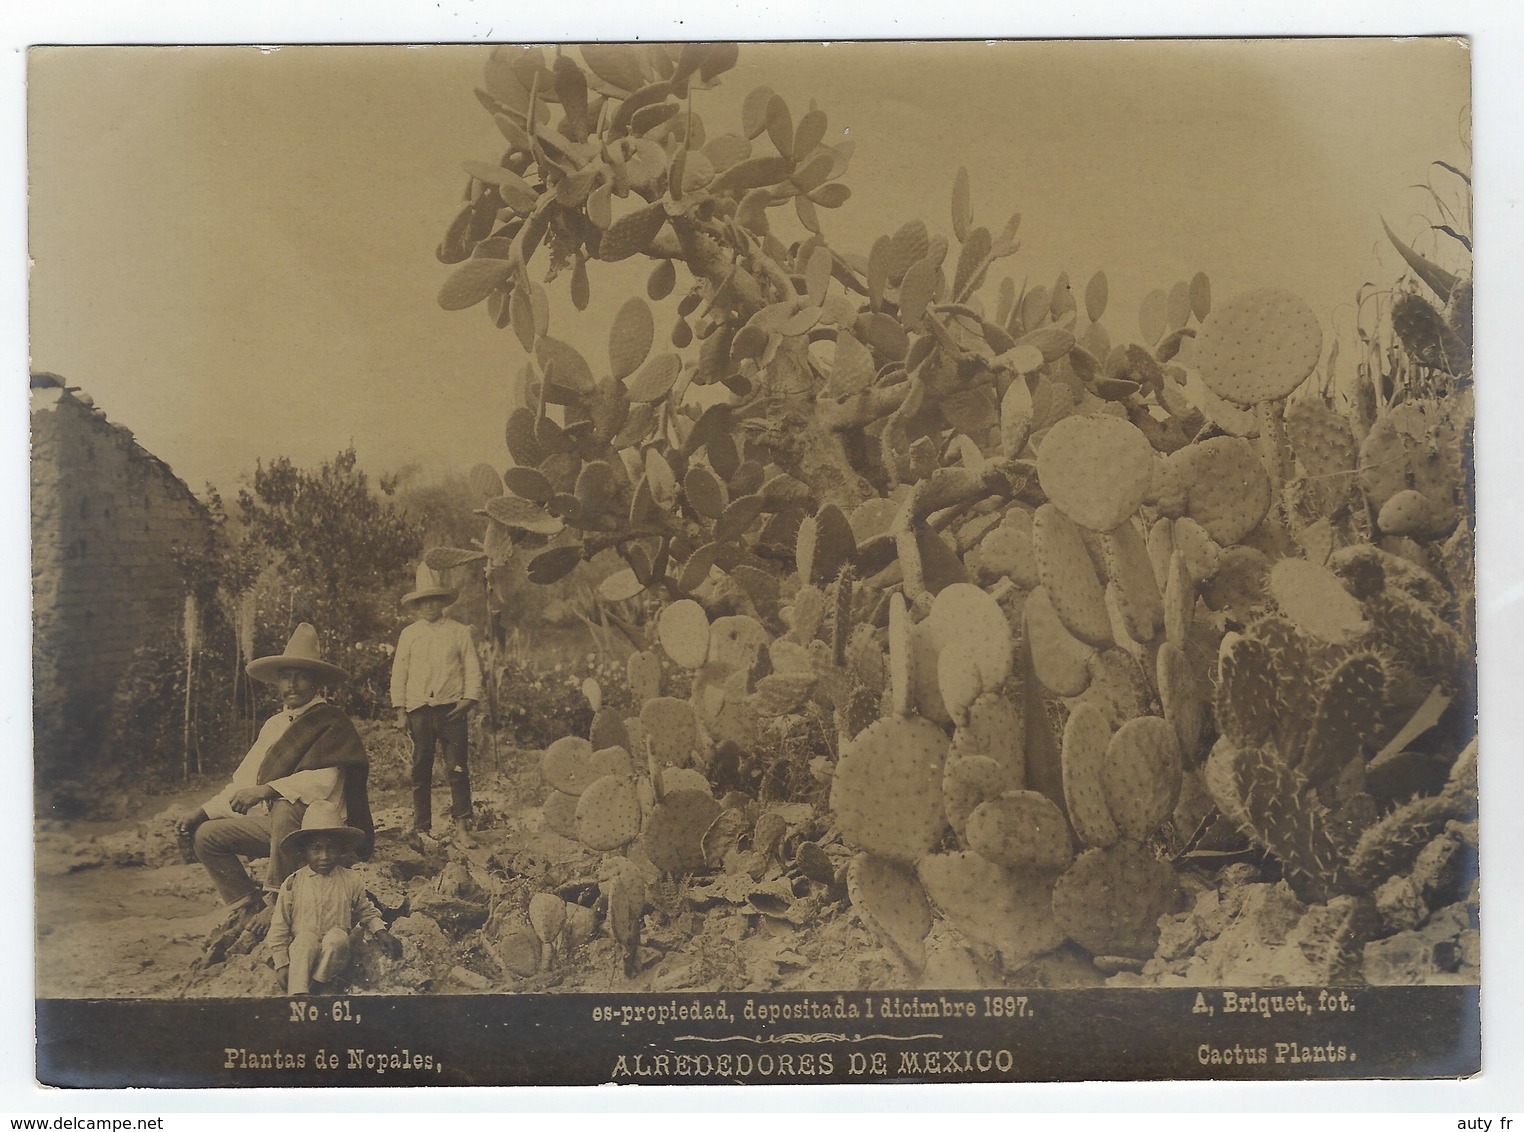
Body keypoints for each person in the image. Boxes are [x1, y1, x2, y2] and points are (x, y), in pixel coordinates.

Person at [174, 623, 375, 928]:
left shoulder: (332, 722)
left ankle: (277, 899)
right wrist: (201, 812)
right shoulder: (275, 724)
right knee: (207, 837)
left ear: (317, 682)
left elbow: (321, 784)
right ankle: (248, 904)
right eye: (285, 677)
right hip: (283, 832)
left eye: (301, 676)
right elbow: (244, 782)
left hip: (326, 834)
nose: (291, 685)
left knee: (285, 804)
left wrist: (267, 790)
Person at [266, 801, 401, 996]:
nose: (324, 856)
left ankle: (319, 983)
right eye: (316, 849)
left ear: (342, 849)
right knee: (305, 939)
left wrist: (381, 932)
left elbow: (365, 911)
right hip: (302, 955)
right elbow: (279, 926)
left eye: (331, 848)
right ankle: (298, 995)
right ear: (304, 851)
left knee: (337, 937)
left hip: (335, 957)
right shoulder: (293, 883)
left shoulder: (350, 880)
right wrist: (281, 964)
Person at [389, 562, 483, 838]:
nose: (430, 606)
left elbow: (472, 668)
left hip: (452, 709)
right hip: (419, 711)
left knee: (457, 767)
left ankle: (463, 825)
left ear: (442, 601)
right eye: (424, 601)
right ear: (417, 605)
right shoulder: (410, 635)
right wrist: (401, 712)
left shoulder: (458, 631)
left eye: (434, 600)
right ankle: (422, 827)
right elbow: (400, 673)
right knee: (421, 768)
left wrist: (468, 700)